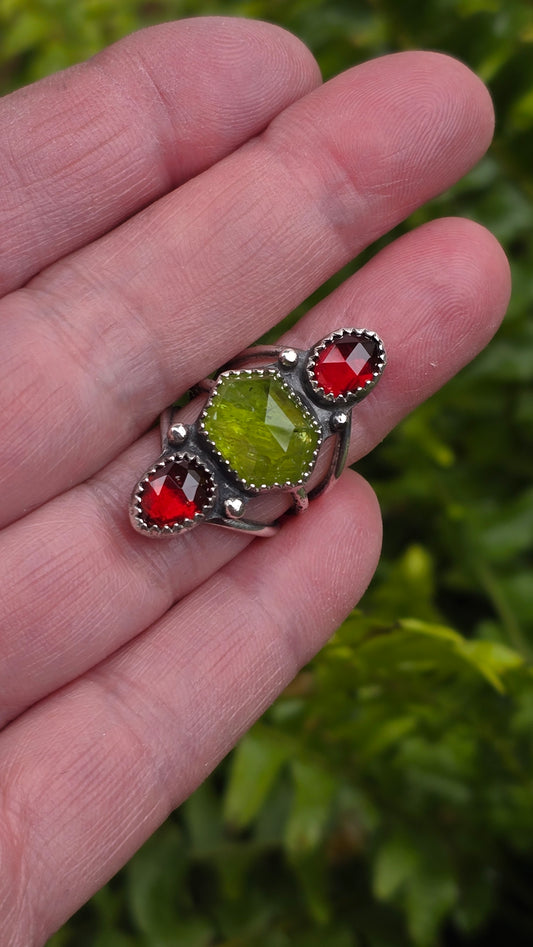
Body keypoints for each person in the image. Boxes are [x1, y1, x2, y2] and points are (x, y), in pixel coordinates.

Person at [0, 16, 510, 945]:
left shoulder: (288, 416)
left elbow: (279, 466)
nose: (343, 367)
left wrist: (234, 485)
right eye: (345, 363)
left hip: (219, 469)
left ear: (343, 377)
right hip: (216, 467)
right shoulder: (279, 409)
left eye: (348, 368)